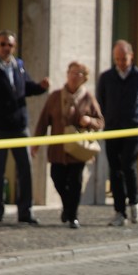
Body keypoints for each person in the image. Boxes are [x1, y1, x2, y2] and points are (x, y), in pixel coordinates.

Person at [32, 61, 104, 229]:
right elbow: (44, 121)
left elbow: (100, 122)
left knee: (75, 183)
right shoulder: (55, 96)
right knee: (57, 178)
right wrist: (36, 143)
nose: (73, 76)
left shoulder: (88, 98)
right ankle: (67, 207)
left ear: (84, 78)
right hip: (57, 149)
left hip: (77, 150)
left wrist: (89, 120)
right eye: (71, 72)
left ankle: (73, 216)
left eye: (78, 73)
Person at [0, 29, 49, 224]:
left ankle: (26, 212)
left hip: (19, 127)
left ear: (14, 47)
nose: (6, 48)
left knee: (25, 170)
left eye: (9, 45)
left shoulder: (20, 66)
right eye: (2, 44)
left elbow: (27, 88)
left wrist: (41, 87)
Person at [97, 40, 138, 226]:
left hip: (134, 128)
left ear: (131, 56)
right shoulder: (106, 77)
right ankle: (119, 211)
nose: (121, 62)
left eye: (124, 59)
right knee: (115, 170)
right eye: (117, 59)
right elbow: (100, 101)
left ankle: (134, 203)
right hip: (112, 129)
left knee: (129, 166)